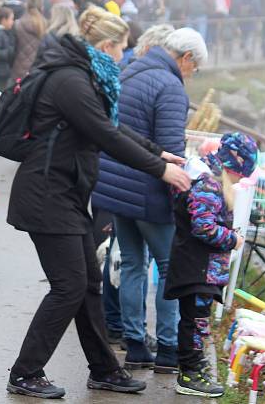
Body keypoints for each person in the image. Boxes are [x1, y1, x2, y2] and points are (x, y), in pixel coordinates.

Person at [5, 6, 191, 399]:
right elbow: (106, 135)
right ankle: (25, 372)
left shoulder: (83, 76)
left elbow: (110, 126)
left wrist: (159, 152)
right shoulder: (71, 81)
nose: (124, 57)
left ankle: (105, 369)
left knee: (87, 283)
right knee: (69, 286)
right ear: (106, 46)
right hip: (46, 195)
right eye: (122, 49)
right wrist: (160, 169)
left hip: (64, 193)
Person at [92, 27, 206, 374]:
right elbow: (170, 147)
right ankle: (170, 348)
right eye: (195, 67)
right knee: (170, 268)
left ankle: (136, 345)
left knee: (131, 264)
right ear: (185, 58)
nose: (192, 74)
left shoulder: (131, 70)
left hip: (114, 186)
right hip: (149, 189)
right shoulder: (170, 87)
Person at [165, 132, 257, 398]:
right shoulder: (209, 184)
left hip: (200, 267)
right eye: (240, 175)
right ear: (234, 166)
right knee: (194, 322)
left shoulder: (207, 177)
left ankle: (195, 368)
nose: (241, 181)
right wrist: (234, 239)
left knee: (198, 321)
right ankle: (189, 374)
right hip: (198, 267)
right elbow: (203, 227)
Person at [10, 0, 47, 82]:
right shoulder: (45, 24)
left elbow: (12, 49)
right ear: (41, 7)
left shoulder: (17, 24)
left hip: (18, 68)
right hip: (39, 68)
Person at [33, 3, 79, 68]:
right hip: (73, 72)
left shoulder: (48, 35)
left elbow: (39, 57)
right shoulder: (77, 35)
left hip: (51, 71)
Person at [0, 6, 17, 88]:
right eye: (11, 19)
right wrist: (10, 51)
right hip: (0, 72)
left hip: (0, 70)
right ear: (4, 20)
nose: (13, 21)